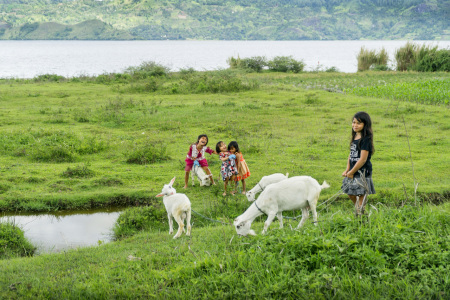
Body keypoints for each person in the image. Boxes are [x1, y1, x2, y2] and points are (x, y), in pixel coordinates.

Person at [341, 111, 376, 214]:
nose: (355, 125)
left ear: (365, 125)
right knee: (350, 192)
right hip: (353, 170)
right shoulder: (355, 136)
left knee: (361, 194)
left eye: (358, 123)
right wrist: (348, 169)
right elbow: (351, 154)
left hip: (362, 172)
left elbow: (363, 159)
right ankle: (359, 211)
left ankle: (360, 214)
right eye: (354, 122)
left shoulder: (366, 139)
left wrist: (352, 172)